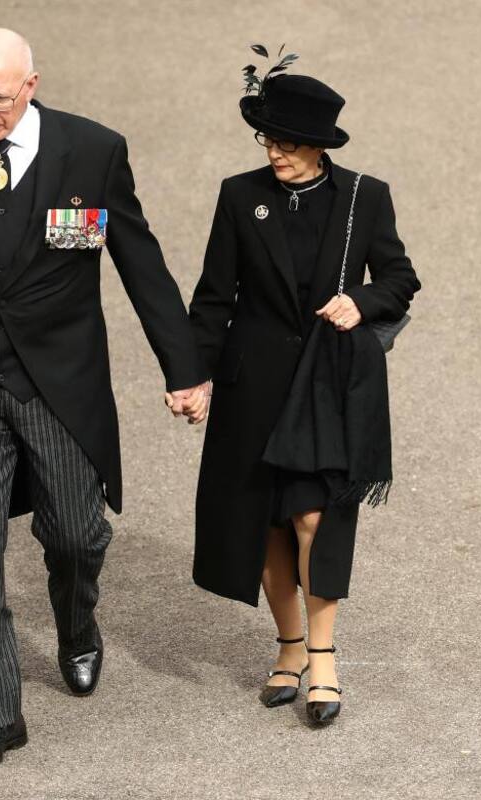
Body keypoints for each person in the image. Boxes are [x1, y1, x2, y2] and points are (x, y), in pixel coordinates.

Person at [0, 28, 208, 771]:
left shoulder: (91, 152)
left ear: (32, 85)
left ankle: (76, 622)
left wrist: (183, 369)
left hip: (58, 386)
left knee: (73, 534)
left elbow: (141, 264)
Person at [188, 68, 420, 725]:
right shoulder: (239, 197)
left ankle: (323, 658)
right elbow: (213, 297)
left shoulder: (364, 199)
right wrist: (192, 375)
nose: (274, 153)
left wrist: (361, 300)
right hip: (253, 388)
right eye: (268, 140)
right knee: (268, 526)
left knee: (316, 519)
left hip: (328, 386)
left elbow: (400, 277)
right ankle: (287, 647)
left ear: (321, 146)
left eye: (287, 143)